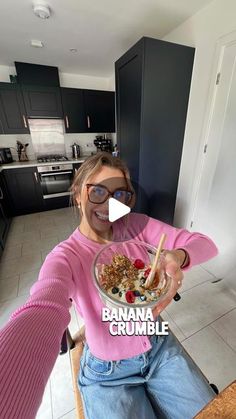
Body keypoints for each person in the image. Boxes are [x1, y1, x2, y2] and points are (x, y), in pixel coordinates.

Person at [0, 152, 218, 419]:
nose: (109, 204)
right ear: (78, 194)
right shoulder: (65, 256)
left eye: (120, 194)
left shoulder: (136, 227)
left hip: (159, 345)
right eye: (98, 191)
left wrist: (179, 256)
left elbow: (206, 243)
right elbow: (43, 309)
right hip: (107, 372)